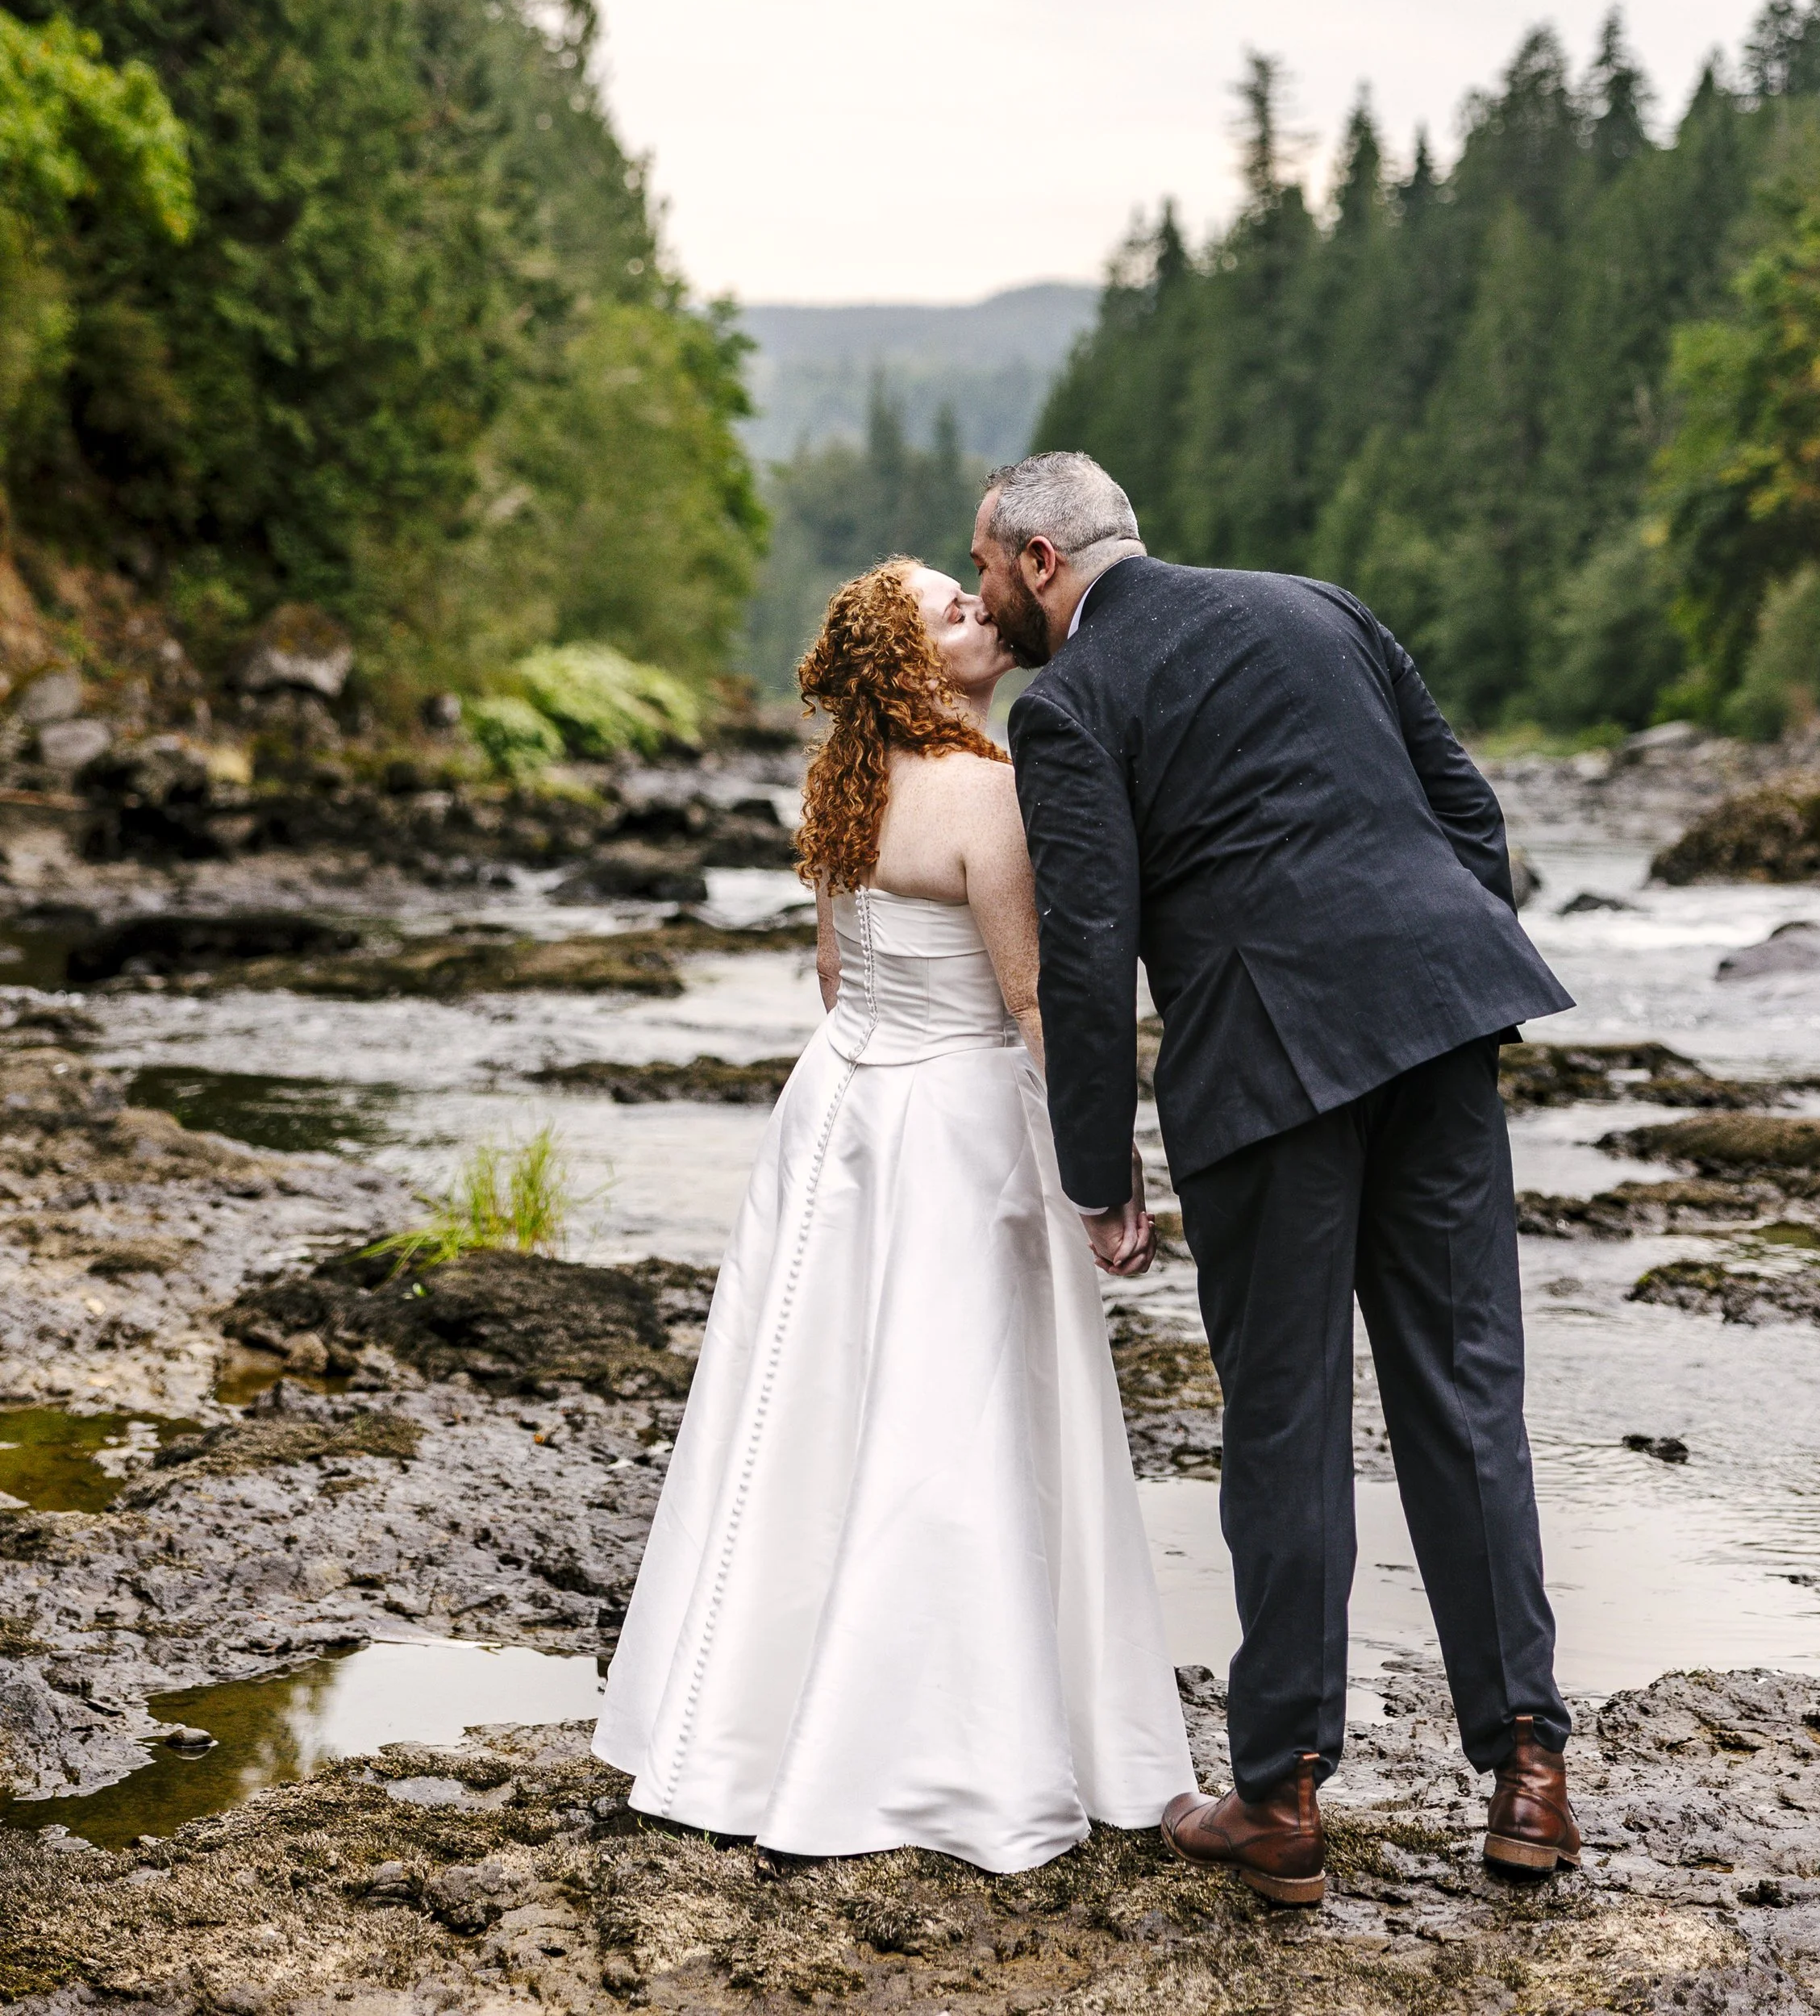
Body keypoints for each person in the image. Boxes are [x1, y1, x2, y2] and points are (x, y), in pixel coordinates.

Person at [972, 451, 1582, 1906]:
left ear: (1044, 559)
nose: (985, 600)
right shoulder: (1321, 604)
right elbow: (1467, 811)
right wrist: (1437, 958)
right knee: (1467, 1398)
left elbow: (1089, 947)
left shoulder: (1070, 702)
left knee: (1288, 1423)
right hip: (1442, 1019)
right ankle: (1531, 1779)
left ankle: (1282, 1796)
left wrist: (1098, 1166)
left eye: (987, 568)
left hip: (1267, 1068)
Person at [593, 557, 1195, 1872]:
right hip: (951, 1124)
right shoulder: (988, 790)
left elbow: (833, 972)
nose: (978, 610)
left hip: (838, 1113)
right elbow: (1031, 1003)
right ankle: (946, 1745)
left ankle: (741, 1730)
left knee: (807, 1416)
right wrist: (1103, 1168)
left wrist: (864, 1090)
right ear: (917, 665)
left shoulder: (844, 782)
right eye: (949, 609)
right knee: (954, 1423)